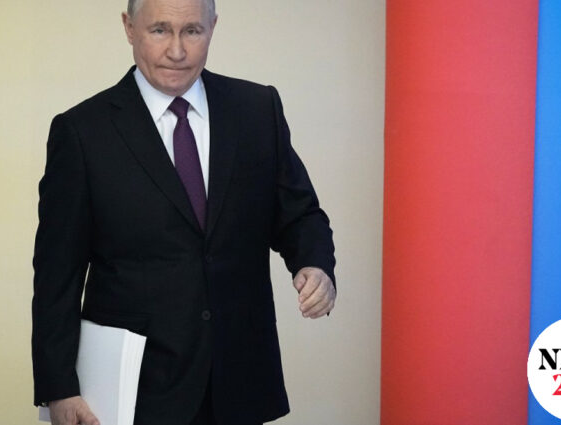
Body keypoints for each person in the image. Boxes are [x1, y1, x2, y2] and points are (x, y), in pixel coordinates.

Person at [31, 0, 337, 424]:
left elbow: (299, 213)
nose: (176, 51)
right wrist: (59, 387)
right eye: (160, 30)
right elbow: (57, 274)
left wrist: (315, 264)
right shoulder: (82, 132)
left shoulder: (256, 109)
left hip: (240, 381)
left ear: (213, 27)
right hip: (136, 391)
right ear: (129, 28)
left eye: (192, 31)